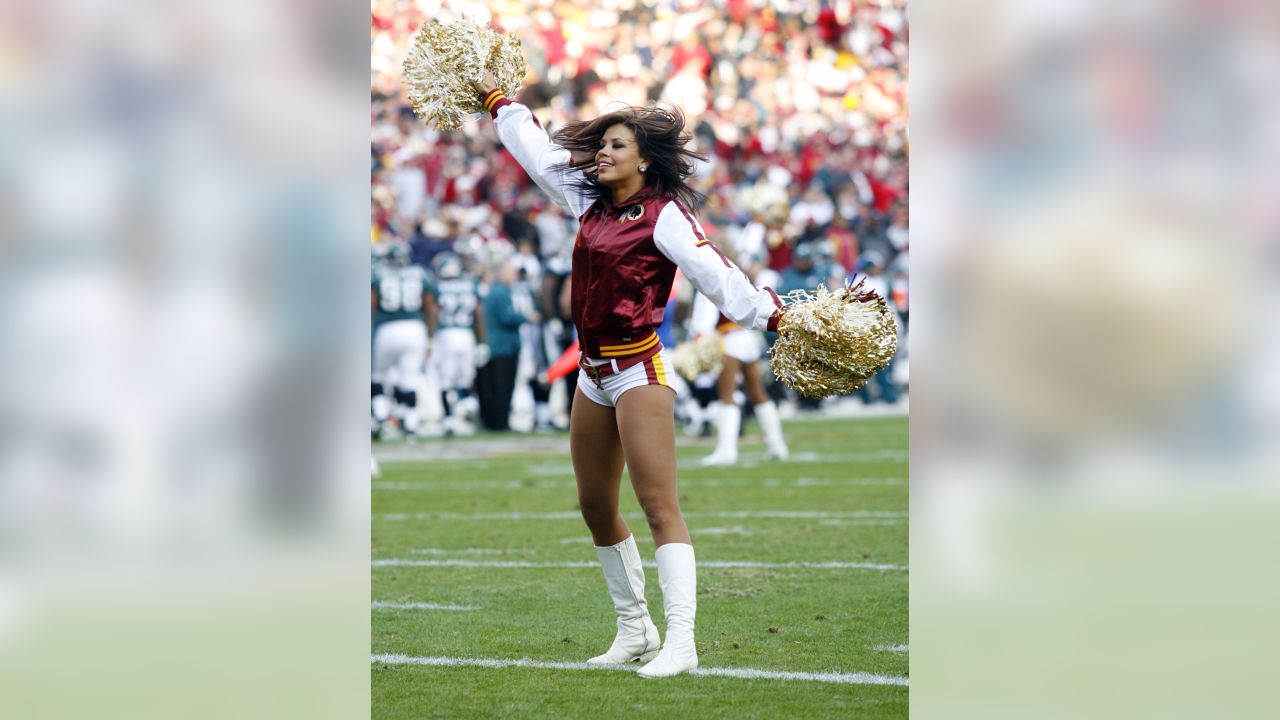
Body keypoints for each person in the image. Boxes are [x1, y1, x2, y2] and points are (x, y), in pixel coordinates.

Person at [473, 74, 787, 678]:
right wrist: (500, 103)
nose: (604, 154)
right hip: (592, 374)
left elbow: (714, 272)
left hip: (639, 368)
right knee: (594, 505)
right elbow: (537, 156)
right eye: (604, 145)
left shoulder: (664, 217)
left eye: (617, 146)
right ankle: (635, 628)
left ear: (644, 160)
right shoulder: (587, 199)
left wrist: (770, 313)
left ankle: (682, 640)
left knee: (658, 504)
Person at [690, 291, 789, 466]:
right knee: (757, 393)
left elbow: (703, 323)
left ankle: (727, 451)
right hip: (747, 337)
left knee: (727, 395)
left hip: (728, 341)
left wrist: (699, 342)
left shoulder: (705, 284)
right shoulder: (734, 275)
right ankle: (777, 446)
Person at [371, 240, 431, 438]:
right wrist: (430, 335)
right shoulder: (420, 273)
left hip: (387, 327)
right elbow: (429, 304)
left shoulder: (379, 274)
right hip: (415, 327)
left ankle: (379, 418)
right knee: (409, 379)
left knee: (378, 375)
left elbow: (372, 303)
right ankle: (410, 425)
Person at [427, 251, 485, 436]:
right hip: (466, 334)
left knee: (445, 381)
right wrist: (481, 341)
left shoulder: (437, 286)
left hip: (446, 334)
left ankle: (450, 421)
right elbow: (478, 314)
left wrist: (430, 336)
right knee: (465, 379)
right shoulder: (469, 284)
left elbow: (434, 312)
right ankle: (469, 413)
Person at [478, 261, 539, 431]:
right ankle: (500, 422)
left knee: (500, 385)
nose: (515, 276)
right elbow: (507, 318)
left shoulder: (496, 291)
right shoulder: (501, 292)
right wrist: (526, 317)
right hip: (504, 345)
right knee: (504, 385)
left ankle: (497, 421)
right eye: (511, 272)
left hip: (500, 344)